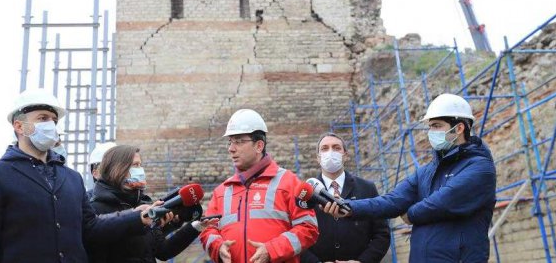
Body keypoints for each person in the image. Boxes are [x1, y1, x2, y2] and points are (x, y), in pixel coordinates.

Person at [0, 88, 169, 263]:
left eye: (53, 120)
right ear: (19, 126)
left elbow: (91, 227)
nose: (50, 124)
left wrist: (136, 217)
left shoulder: (72, 179)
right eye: (42, 118)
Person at [322, 94, 496, 263]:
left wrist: (410, 214)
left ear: (459, 128)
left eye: (436, 126)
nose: (431, 132)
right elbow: (392, 201)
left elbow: (441, 203)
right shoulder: (426, 172)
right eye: (430, 127)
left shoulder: (480, 168)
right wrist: (348, 207)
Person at [200, 109, 319, 263]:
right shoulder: (222, 191)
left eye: (239, 141)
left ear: (259, 146)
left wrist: (271, 250)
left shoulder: (289, 183)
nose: (231, 148)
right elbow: (207, 230)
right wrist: (218, 246)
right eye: (230, 141)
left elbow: (308, 228)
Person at [87, 144, 219, 263]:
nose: (141, 170)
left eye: (140, 165)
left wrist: (196, 226)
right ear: (118, 169)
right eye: (136, 165)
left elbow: (162, 251)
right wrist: (135, 220)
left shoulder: (144, 204)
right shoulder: (94, 209)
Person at [300, 133, 390, 263]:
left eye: (336, 148)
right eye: (325, 148)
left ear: (345, 155)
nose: (330, 152)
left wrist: (362, 261)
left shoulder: (367, 188)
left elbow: (382, 234)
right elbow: (297, 235)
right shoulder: (306, 192)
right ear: (318, 158)